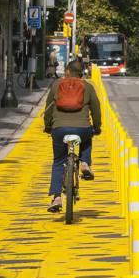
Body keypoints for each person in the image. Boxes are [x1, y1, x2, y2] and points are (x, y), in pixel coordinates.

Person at [44, 60, 101, 212]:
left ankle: (56, 197)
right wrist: (97, 126)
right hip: (82, 128)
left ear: (67, 72)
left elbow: (48, 108)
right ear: (81, 73)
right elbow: (96, 108)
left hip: (59, 129)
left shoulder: (57, 85)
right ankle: (84, 163)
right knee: (87, 139)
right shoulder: (88, 87)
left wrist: (48, 126)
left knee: (58, 162)